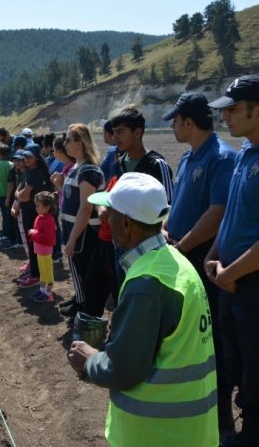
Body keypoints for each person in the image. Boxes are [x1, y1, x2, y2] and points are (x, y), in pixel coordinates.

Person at [68, 172, 218, 447]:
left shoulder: (145, 284)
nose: (105, 219)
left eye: (109, 213)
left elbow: (123, 370)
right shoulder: (175, 263)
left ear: (125, 222)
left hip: (154, 434)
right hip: (192, 430)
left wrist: (88, 358)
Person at [161, 92, 238, 440]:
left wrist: (182, 245)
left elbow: (218, 213)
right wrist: (166, 228)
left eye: (175, 121)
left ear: (188, 122)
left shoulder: (221, 158)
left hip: (202, 258)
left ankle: (221, 422)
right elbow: (180, 204)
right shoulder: (191, 158)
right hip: (183, 253)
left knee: (214, 344)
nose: (174, 127)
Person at [205, 74, 259, 446]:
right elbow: (234, 211)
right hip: (230, 277)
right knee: (237, 360)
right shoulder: (245, 152)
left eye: (235, 109)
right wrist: (213, 254)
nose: (226, 118)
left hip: (250, 282)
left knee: (256, 368)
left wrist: (229, 273)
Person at [55, 124, 104, 319]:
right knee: (77, 270)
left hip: (83, 234)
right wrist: (60, 187)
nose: (64, 144)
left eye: (68, 140)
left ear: (80, 142)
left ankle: (86, 309)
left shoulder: (88, 171)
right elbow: (72, 200)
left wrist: (73, 239)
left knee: (84, 273)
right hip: (72, 229)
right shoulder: (76, 168)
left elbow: (86, 208)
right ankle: (80, 301)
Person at [15, 144, 53, 287]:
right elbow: (21, 191)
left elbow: (23, 195)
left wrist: (17, 195)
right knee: (32, 244)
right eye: (25, 156)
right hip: (31, 211)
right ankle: (34, 272)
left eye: (29, 156)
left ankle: (35, 275)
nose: (26, 159)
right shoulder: (31, 171)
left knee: (33, 244)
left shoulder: (35, 173)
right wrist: (19, 194)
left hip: (32, 212)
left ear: (37, 157)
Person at [27, 191, 57, 303]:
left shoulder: (49, 220)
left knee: (48, 273)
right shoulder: (41, 217)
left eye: (38, 205)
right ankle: (42, 290)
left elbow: (48, 237)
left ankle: (48, 294)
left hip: (45, 251)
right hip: (40, 250)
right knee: (43, 272)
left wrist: (34, 233)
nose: (36, 208)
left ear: (47, 206)